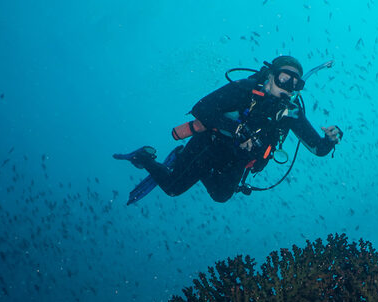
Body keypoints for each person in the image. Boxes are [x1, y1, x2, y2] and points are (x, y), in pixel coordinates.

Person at [114, 55, 343, 204]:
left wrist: (331, 139)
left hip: (238, 159)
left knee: (221, 196)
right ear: (270, 75)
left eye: (296, 84)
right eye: (284, 78)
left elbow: (318, 148)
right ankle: (145, 157)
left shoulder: (291, 112)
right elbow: (201, 109)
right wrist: (236, 129)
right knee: (173, 188)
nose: (289, 87)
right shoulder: (244, 89)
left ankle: (185, 163)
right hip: (210, 145)